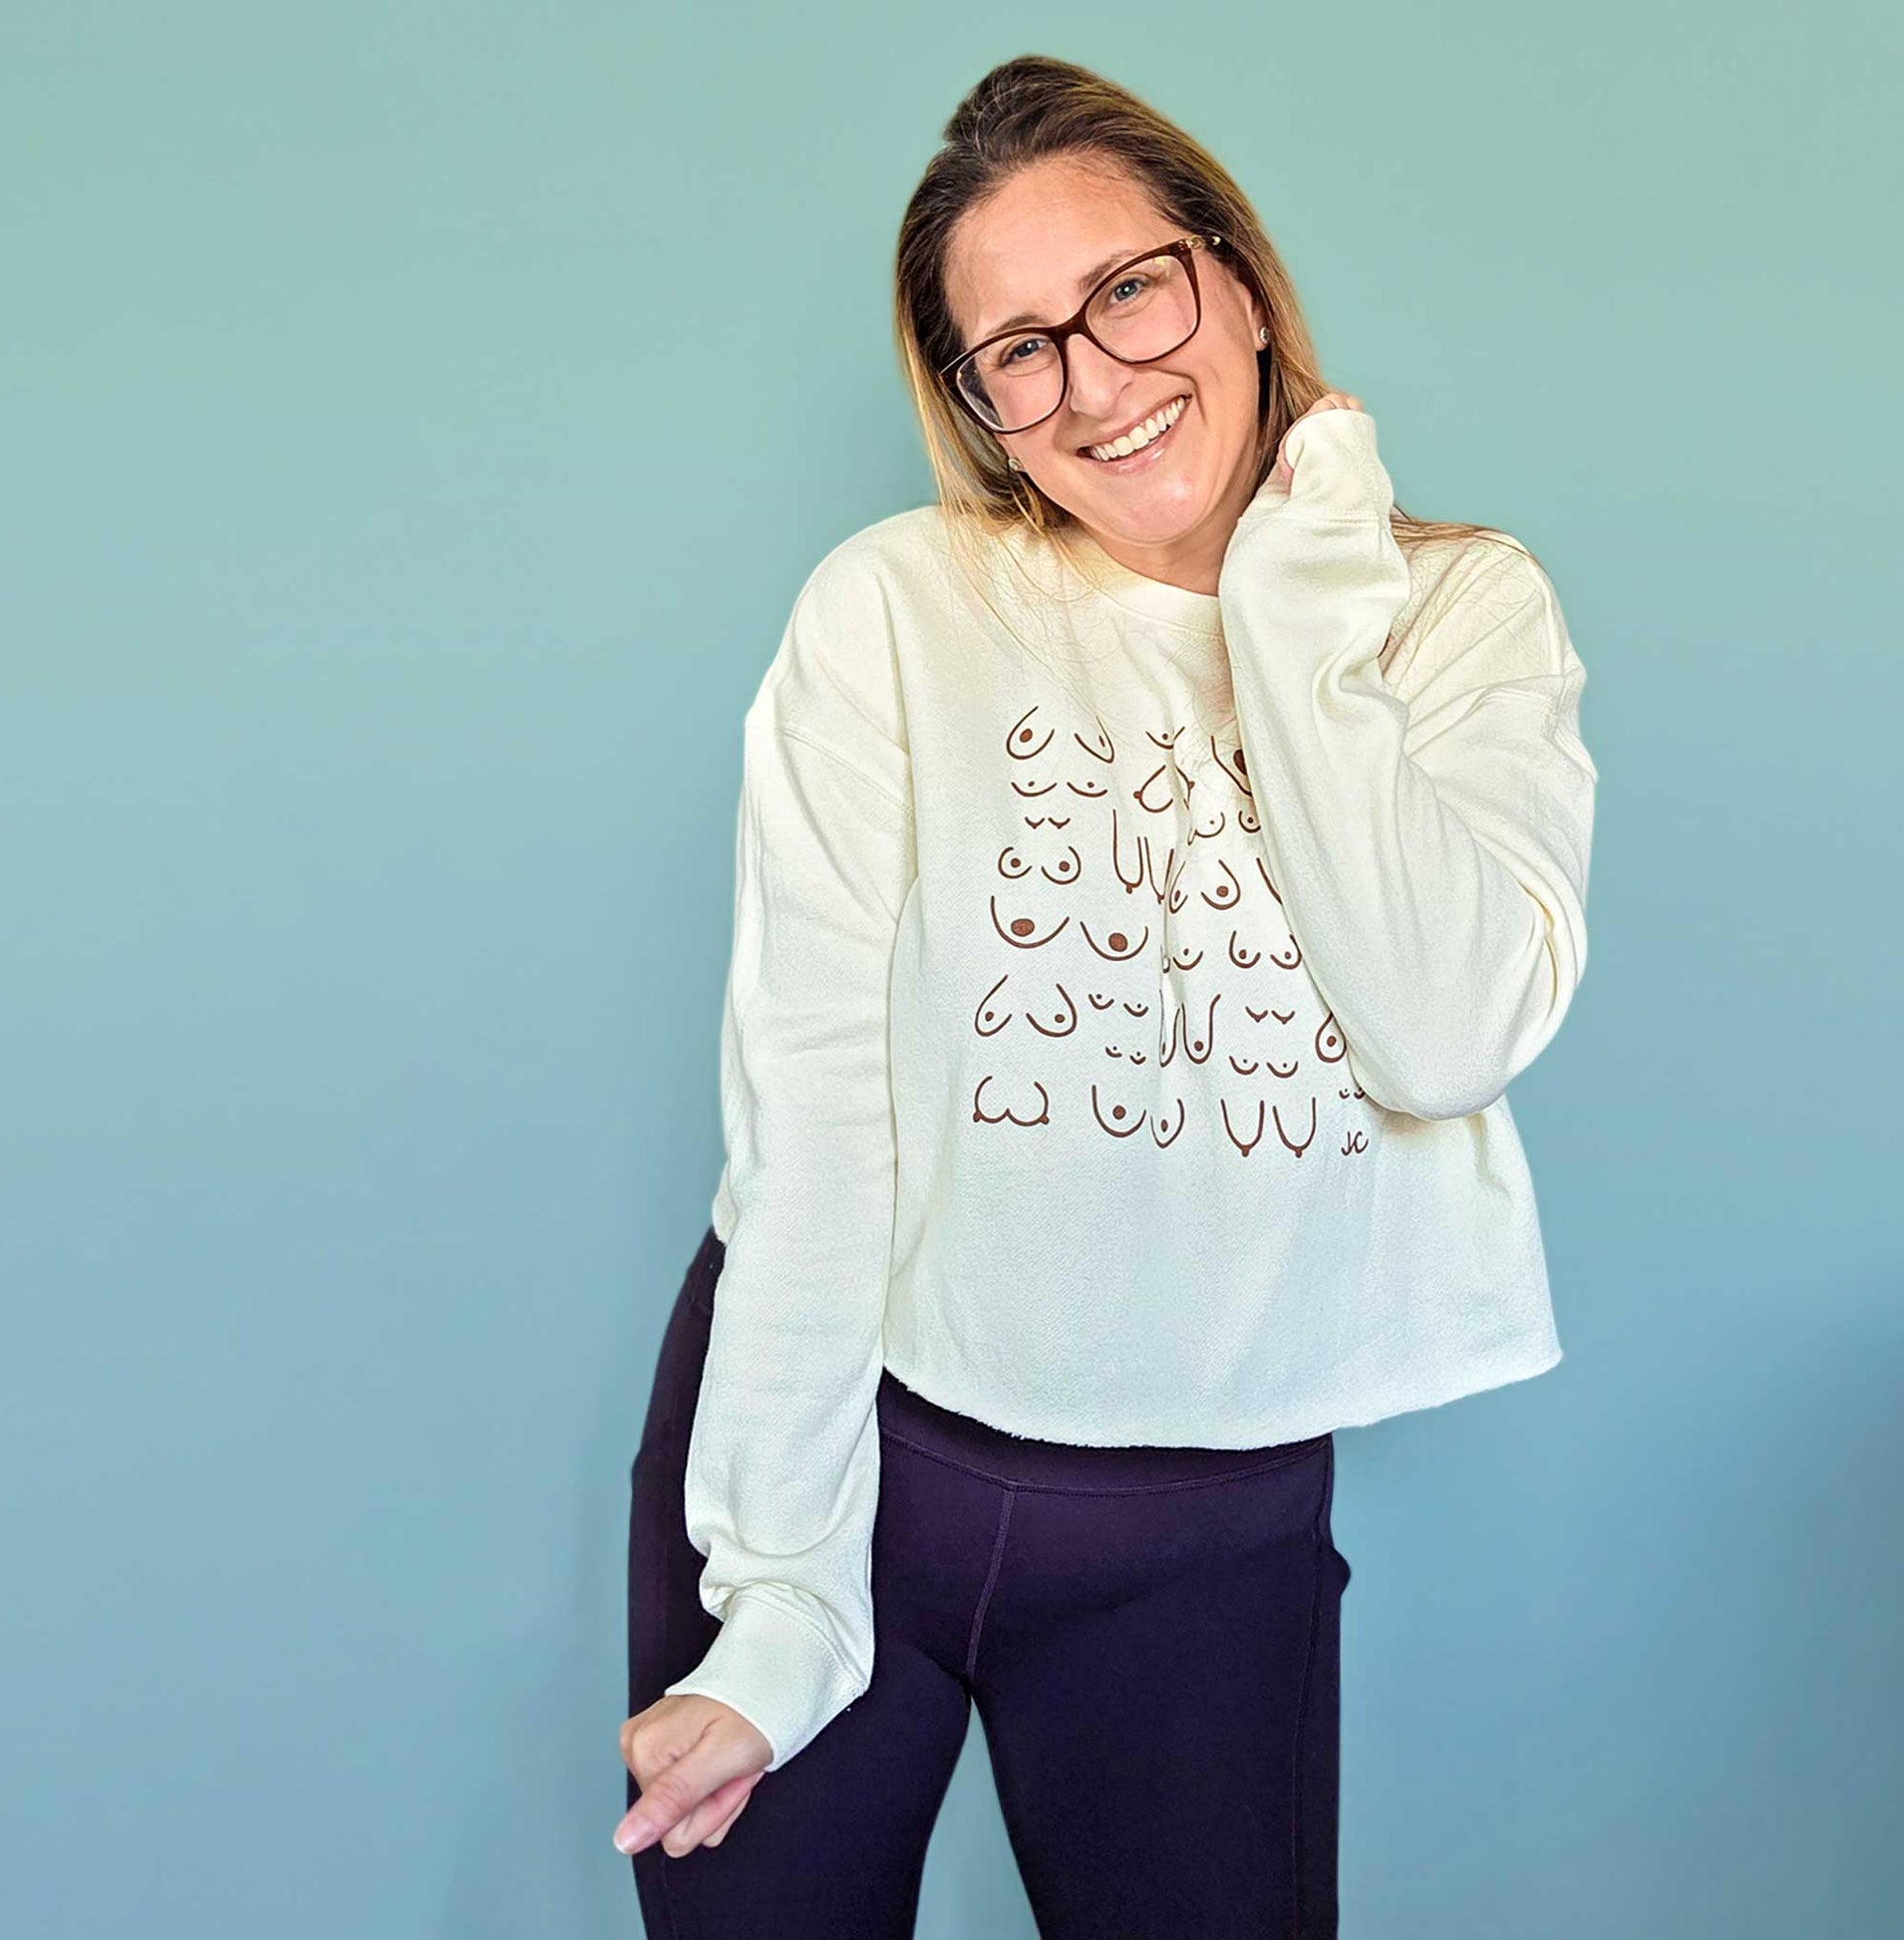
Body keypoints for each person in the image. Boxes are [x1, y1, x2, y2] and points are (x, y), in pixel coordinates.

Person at [617, 51, 1598, 1939]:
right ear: (982, 412)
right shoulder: (895, 608)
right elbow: (815, 1111)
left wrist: (1298, 596)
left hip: (1200, 1528)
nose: (1098, 377)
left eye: (1130, 288)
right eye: (1019, 350)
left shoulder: (1459, 615)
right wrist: (787, 1595)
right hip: (830, 1443)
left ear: (1229, 277)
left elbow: (1443, 1028)